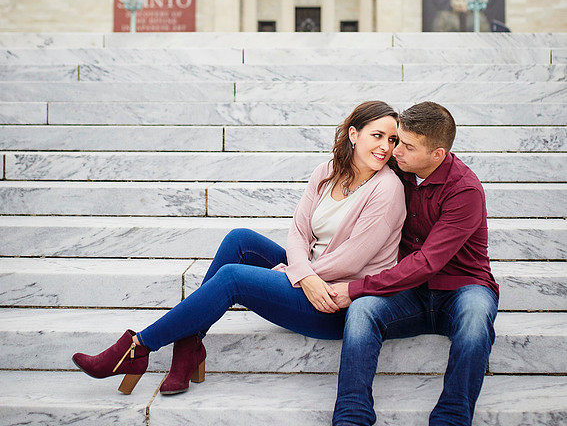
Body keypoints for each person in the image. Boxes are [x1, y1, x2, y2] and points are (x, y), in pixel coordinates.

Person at [73, 101, 406, 401]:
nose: (385, 147)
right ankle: (189, 346)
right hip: (311, 279)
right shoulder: (326, 172)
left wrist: (297, 274)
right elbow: (298, 232)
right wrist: (301, 272)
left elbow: (352, 259)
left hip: (336, 302)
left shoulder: (387, 189)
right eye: (377, 135)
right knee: (239, 239)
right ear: (353, 134)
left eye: (392, 140)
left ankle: (138, 347)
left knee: (233, 278)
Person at [308, 101, 499, 426]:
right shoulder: (400, 169)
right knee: (363, 313)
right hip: (411, 294)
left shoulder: (465, 189)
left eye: (406, 146)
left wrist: (357, 285)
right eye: (397, 142)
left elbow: (430, 261)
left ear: (437, 154)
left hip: (462, 287)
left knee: (477, 316)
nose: (395, 151)